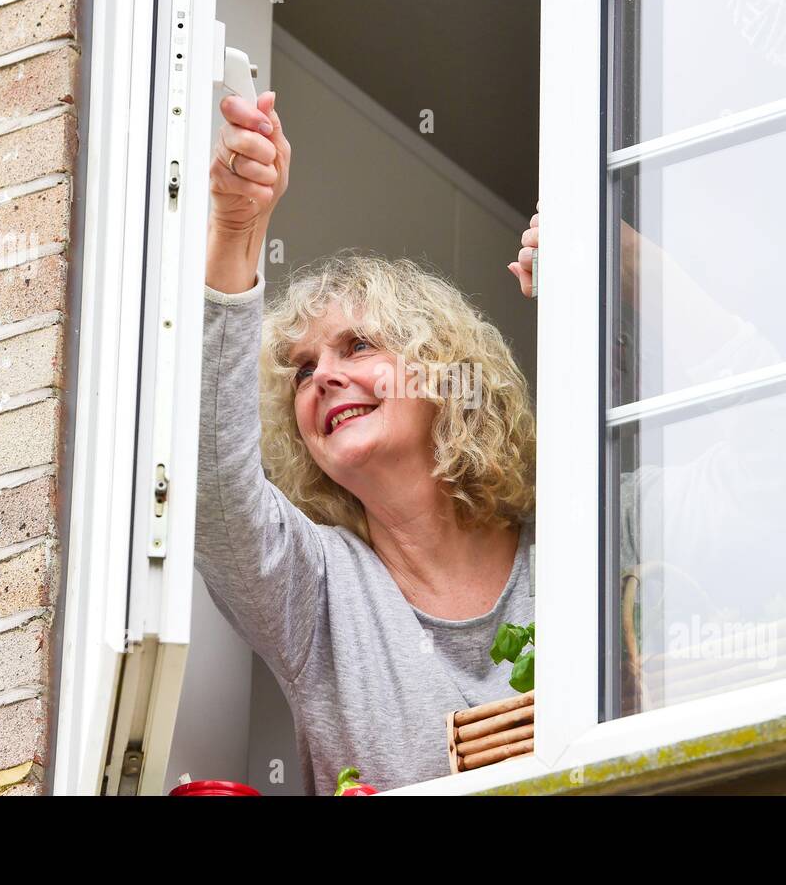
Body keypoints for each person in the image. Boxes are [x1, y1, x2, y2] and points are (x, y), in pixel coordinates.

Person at [196, 90, 538, 794]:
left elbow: (756, 477)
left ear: (443, 374)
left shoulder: (573, 546)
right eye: (302, 371)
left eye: (357, 346)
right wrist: (236, 229)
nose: (324, 378)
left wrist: (617, 265)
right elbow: (212, 487)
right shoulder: (316, 586)